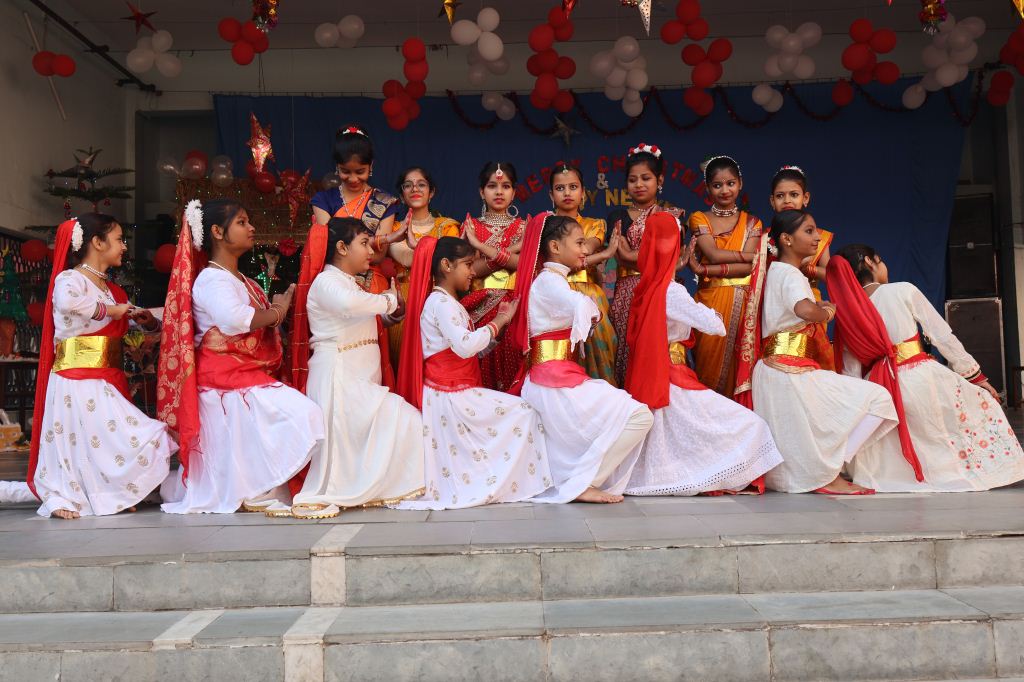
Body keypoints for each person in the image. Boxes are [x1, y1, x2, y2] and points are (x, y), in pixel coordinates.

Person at [159, 199, 323, 514]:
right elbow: (234, 319)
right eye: (242, 222)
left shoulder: (239, 279)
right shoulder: (212, 279)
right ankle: (250, 492)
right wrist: (278, 311)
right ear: (217, 232)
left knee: (291, 425)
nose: (251, 228)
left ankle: (255, 491)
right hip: (224, 383)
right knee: (304, 416)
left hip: (244, 378)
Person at [827, 244, 1024, 492]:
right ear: (869, 261)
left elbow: (851, 370)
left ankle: (903, 477)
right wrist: (975, 376)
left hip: (880, 385)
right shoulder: (902, 290)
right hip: (918, 374)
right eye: (881, 260)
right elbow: (942, 336)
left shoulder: (848, 313)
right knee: (969, 412)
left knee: (897, 436)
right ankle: (955, 473)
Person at [623, 213, 783, 496]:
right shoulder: (672, 291)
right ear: (677, 249)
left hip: (653, 379)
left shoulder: (644, 289)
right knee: (751, 425)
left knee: (667, 440)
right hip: (673, 380)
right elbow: (715, 326)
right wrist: (712, 311)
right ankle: (704, 477)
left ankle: (675, 478)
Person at [28, 215, 174, 519]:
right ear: (97, 242)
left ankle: (115, 493)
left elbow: (121, 321)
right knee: (85, 443)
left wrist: (146, 320)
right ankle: (64, 496)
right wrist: (113, 310)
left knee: (112, 443)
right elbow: (68, 303)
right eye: (119, 239)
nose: (124, 246)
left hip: (106, 377)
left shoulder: (111, 290)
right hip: (76, 379)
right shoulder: (70, 279)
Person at [395, 236, 552, 509]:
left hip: (454, 390)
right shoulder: (440, 304)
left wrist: (498, 331)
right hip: (450, 393)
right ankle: (510, 484)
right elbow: (466, 345)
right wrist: (500, 320)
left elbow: (466, 350)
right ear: (446, 265)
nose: (472, 272)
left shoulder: (445, 302)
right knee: (524, 412)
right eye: (467, 264)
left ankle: (499, 482)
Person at [750, 210, 898, 494]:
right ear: (786, 239)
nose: (817, 237)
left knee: (795, 433)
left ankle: (820, 474)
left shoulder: (776, 272)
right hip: (789, 369)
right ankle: (831, 473)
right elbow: (804, 310)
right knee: (878, 399)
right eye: (809, 231)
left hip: (777, 369)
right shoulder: (790, 274)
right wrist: (827, 311)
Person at [285, 218, 424, 518]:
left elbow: (358, 314)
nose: (371, 251)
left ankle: (370, 488)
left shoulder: (347, 282)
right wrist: (388, 300)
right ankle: (345, 490)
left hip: (358, 379)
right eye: (364, 243)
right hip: (340, 378)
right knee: (406, 422)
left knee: (375, 437)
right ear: (341, 247)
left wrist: (390, 316)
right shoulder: (327, 281)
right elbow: (350, 305)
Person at [510, 213, 653, 504]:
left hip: (556, 377)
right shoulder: (549, 282)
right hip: (552, 381)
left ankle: (583, 481)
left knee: (632, 417)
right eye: (579, 243)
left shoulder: (553, 281)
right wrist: (592, 309)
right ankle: (584, 483)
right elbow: (583, 306)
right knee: (639, 415)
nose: (585, 249)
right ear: (555, 247)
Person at [686, 155, 762, 396]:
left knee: (743, 371)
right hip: (710, 303)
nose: (725, 190)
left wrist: (705, 270)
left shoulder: (752, 223)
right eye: (717, 185)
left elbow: (749, 269)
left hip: (745, 305)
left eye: (730, 183)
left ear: (740, 184)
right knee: (707, 366)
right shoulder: (699, 218)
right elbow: (713, 253)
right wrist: (748, 256)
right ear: (708, 188)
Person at [310, 125, 407, 295]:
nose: (353, 179)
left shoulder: (385, 202)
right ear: (337, 167)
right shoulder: (323, 200)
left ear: (371, 166)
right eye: (345, 171)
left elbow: (379, 255)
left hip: (372, 286)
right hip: (334, 286)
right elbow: (330, 245)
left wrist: (352, 249)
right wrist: (378, 240)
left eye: (360, 171)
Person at [459, 161, 529, 391]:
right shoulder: (471, 226)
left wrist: (482, 247)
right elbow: (471, 269)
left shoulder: (525, 227)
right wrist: (512, 251)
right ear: (482, 192)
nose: (499, 192)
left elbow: (523, 266)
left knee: (514, 369)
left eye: (505, 186)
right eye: (492, 186)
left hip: (516, 306)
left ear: (514, 192)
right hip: (479, 306)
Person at [607, 143, 673, 385]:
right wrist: (647, 254)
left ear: (659, 180)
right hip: (626, 294)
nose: (639, 184)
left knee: (656, 351)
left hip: (659, 291)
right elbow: (620, 256)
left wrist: (632, 253)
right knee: (625, 349)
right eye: (633, 179)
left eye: (646, 178)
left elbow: (663, 255)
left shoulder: (671, 216)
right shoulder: (616, 216)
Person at [549, 161, 620, 385]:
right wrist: (604, 255)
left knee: (600, 348)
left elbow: (583, 251)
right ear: (551, 195)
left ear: (583, 193)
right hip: (554, 294)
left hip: (589, 295)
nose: (567, 193)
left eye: (573, 187)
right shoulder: (544, 226)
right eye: (560, 188)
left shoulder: (595, 225)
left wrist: (588, 255)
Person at [386, 167, 460, 368]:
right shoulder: (394, 228)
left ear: (431, 192)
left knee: (436, 367)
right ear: (401, 194)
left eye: (421, 184)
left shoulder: (447, 227)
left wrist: (415, 245)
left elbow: (451, 262)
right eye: (408, 185)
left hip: (438, 299)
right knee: (402, 364)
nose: (415, 189)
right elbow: (406, 259)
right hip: (405, 302)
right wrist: (428, 250)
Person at [769, 165, 835, 371]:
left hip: (809, 301)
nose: (787, 200)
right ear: (772, 201)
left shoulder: (818, 237)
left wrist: (809, 270)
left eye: (794, 194)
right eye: (780, 196)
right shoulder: (766, 237)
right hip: (776, 306)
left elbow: (831, 275)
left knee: (814, 359)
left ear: (805, 198)